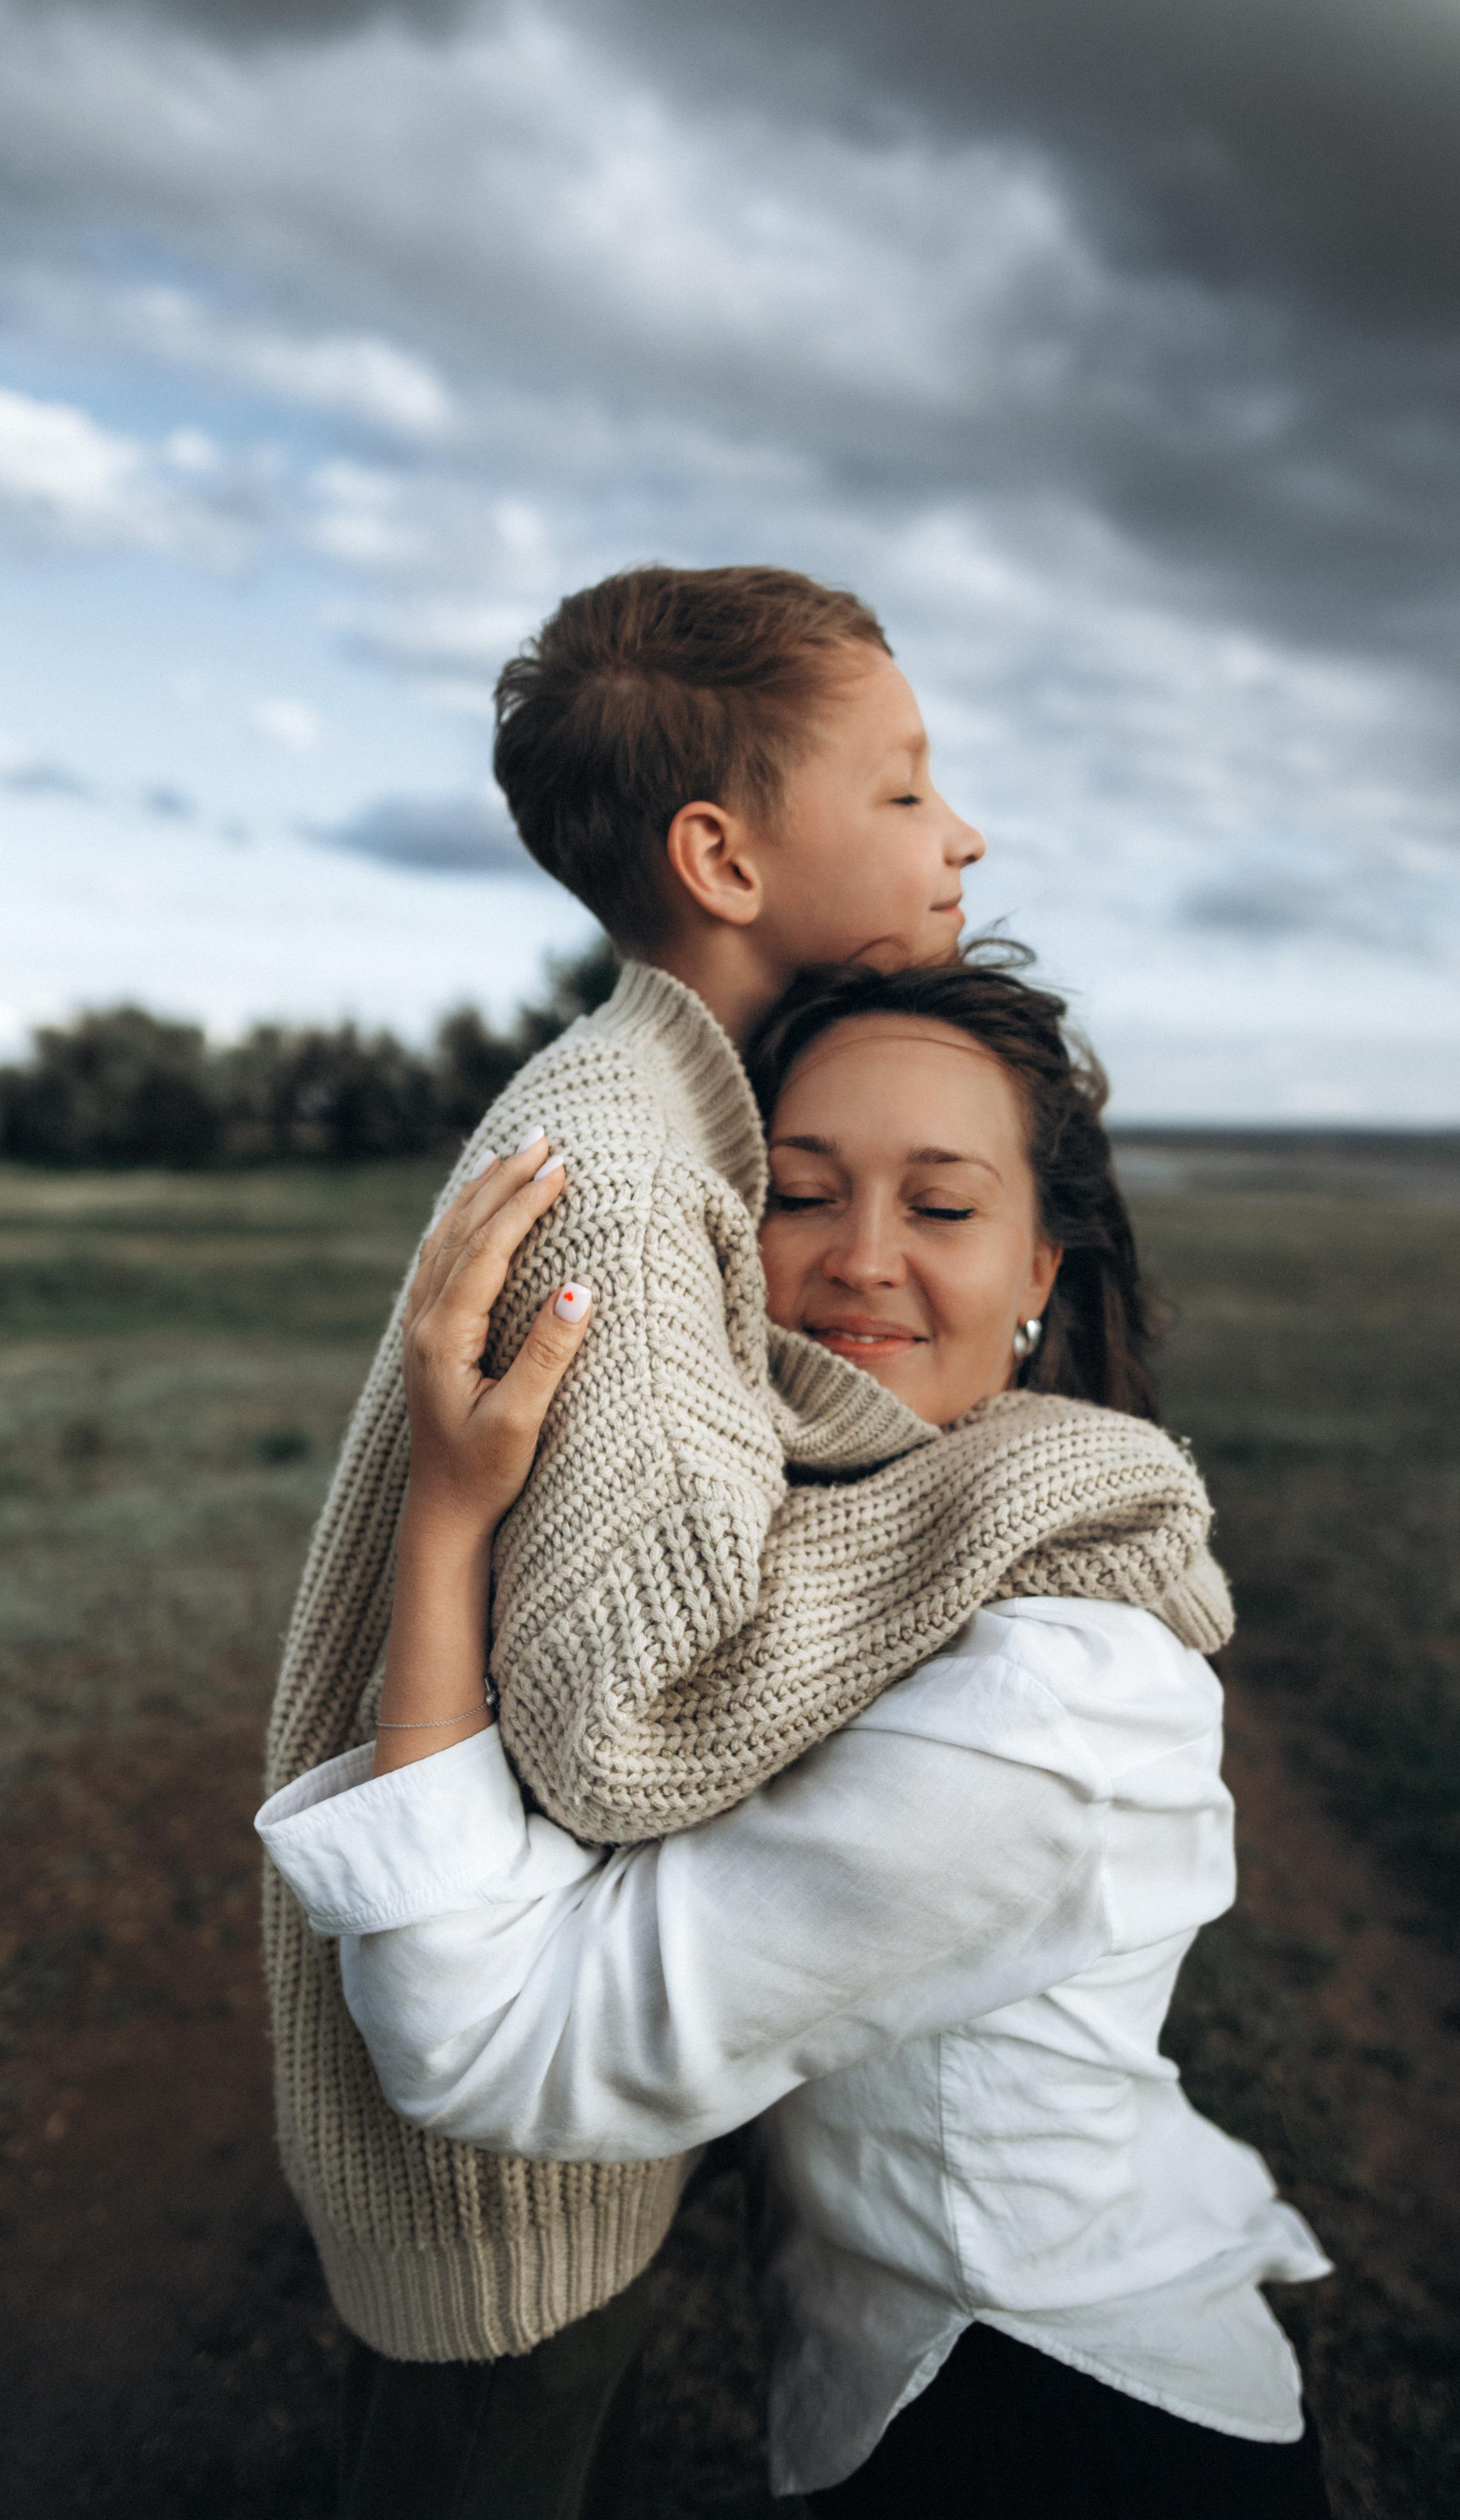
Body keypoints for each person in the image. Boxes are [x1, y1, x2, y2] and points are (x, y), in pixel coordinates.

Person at [263, 566, 1235, 2516]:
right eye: (899, 790)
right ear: (720, 852)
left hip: (533, 2052)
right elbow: (642, 1716)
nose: (958, 833)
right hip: (494, 2130)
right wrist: (1011, 1491)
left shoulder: (676, 1115)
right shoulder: (632, 1170)